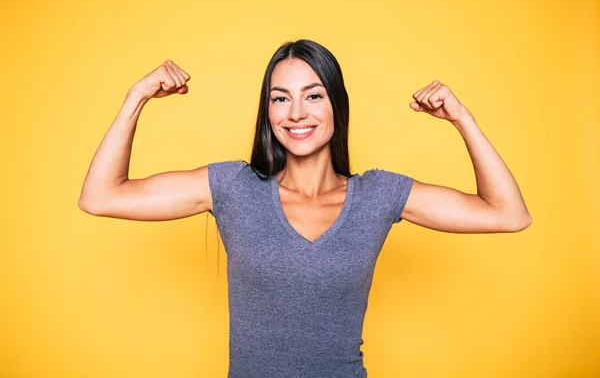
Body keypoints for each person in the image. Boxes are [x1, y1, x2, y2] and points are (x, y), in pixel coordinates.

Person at [78, 39, 532, 377]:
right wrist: (135, 98)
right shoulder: (233, 187)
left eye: (313, 95)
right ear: (268, 111)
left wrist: (462, 120)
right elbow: (101, 197)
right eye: (280, 98)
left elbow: (508, 214)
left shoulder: (378, 196)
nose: (296, 112)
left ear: (336, 105)